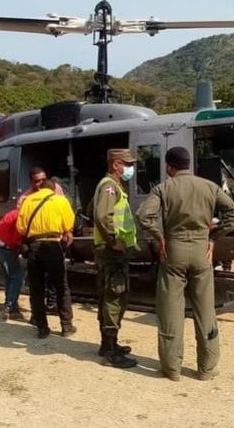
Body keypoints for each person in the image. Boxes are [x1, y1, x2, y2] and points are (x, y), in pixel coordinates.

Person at [136, 147, 234, 381]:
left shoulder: (163, 188)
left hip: (172, 251)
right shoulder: (208, 186)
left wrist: (159, 237)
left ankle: (172, 369)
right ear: (188, 164)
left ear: (169, 166)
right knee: (205, 310)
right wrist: (213, 237)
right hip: (202, 252)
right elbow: (233, 214)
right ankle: (207, 368)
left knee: (170, 310)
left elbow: (143, 216)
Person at [92, 148, 140, 368]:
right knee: (114, 296)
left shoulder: (113, 186)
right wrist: (113, 240)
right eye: (126, 164)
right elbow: (103, 216)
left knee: (109, 295)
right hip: (112, 252)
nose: (130, 168)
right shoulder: (110, 187)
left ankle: (108, 344)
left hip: (111, 251)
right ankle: (111, 350)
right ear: (115, 165)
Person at [16, 179, 76, 338]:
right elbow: (69, 224)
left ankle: (42, 328)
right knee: (61, 286)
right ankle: (67, 327)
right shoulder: (60, 200)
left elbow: (20, 227)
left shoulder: (28, 201)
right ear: (54, 189)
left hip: (34, 247)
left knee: (36, 289)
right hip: (53, 245)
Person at [17, 167, 66, 318]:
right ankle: (38, 316)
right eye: (37, 181)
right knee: (38, 281)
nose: (40, 183)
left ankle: (51, 304)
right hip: (36, 242)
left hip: (56, 240)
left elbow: (63, 209)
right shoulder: (24, 199)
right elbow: (21, 226)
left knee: (55, 278)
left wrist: (65, 232)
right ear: (31, 182)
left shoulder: (56, 188)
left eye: (43, 180)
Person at [0, 207, 27, 321]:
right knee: (17, 276)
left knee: (11, 274)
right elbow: (17, 238)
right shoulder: (23, 215)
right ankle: (11, 308)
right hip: (2, 246)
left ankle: (10, 304)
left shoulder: (16, 212)